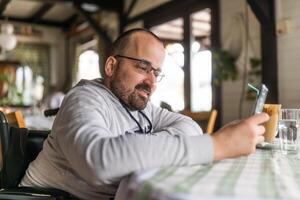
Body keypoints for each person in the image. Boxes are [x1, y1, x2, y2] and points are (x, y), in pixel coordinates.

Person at [20, 28, 269, 200]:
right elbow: (99, 162)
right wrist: (217, 144)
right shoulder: (84, 99)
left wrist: (134, 149)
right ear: (111, 66)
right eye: (142, 67)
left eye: (156, 73)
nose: (151, 82)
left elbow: (189, 127)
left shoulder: (138, 105)